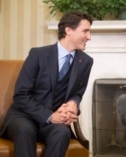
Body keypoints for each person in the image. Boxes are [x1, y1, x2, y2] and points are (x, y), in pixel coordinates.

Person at [0, 11, 93, 157]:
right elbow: (21, 95)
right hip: (23, 116)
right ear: (68, 30)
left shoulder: (86, 61)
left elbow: (77, 92)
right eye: (85, 31)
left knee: (62, 132)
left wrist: (74, 103)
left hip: (53, 123)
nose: (89, 37)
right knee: (25, 130)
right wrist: (49, 116)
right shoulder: (38, 55)